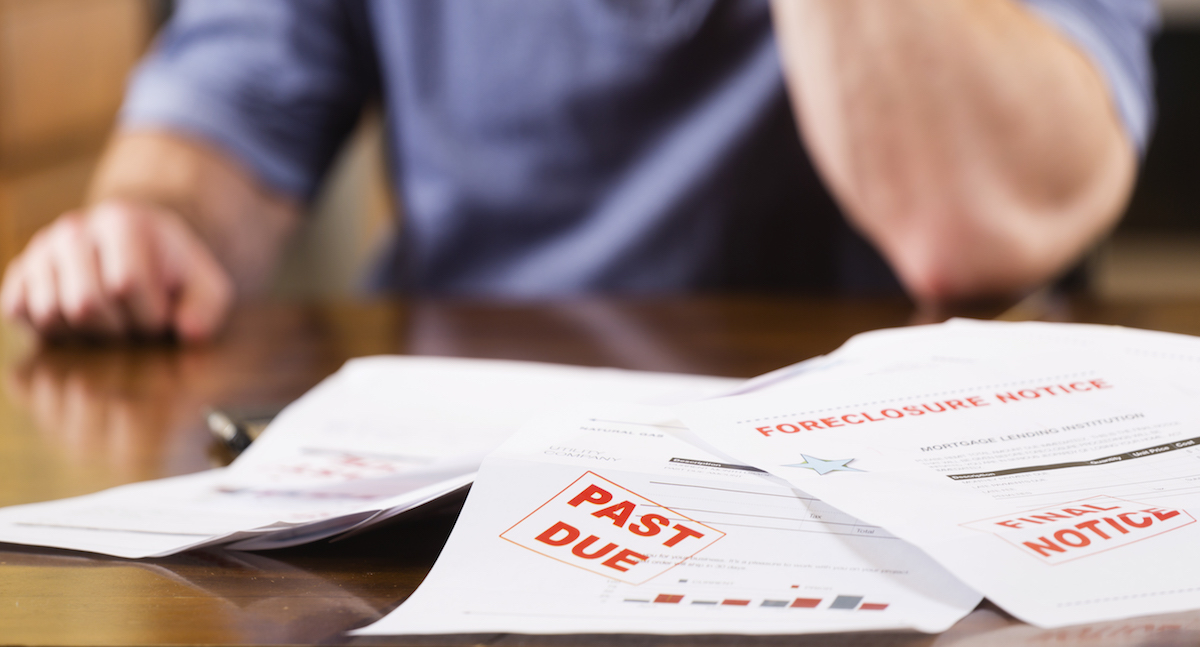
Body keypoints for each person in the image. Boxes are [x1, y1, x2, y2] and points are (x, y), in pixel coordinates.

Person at [0, 0, 1157, 342]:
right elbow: (227, 109)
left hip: (880, 486)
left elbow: (967, 219)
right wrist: (149, 226)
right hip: (464, 478)